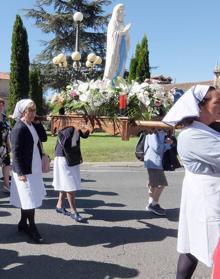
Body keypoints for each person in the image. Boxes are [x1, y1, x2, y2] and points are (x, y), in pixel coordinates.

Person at [163, 85, 220, 278]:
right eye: (217, 102)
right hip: (207, 196)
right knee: (194, 244)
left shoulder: (206, 129)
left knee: (192, 245)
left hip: (206, 193)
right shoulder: (193, 135)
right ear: (200, 107)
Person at [10, 99, 47, 243]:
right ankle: (32, 227)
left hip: (34, 168)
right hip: (25, 170)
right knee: (29, 200)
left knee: (28, 199)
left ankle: (22, 223)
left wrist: (38, 123)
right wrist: (20, 173)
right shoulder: (19, 128)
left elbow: (43, 138)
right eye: (29, 111)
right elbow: (16, 152)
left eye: (34, 110)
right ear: (22, 112)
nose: (32, 113)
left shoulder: (32, 125)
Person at [52, 126, 90, 222]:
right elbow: (64, 141)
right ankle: (74, 211)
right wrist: (74, 156)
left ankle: (59, 205)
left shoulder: (76, 131)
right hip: (64, 158)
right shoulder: (70, 130)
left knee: (66, 183)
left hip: (69, 158)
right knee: (70, 185)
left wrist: (79, 156)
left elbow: (79, 140)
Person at [144, 130, 173, 216]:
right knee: (161, 183)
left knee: (154, 184)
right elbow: (157, 148)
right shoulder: (153, 132)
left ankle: (151, 203)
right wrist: (168, 144)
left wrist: (167, 141)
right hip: (154, 161)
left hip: (156, 161)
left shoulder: (161, 132)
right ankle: (154, 204)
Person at [103, 3, 131, 81]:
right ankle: (110, 79)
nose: (122, 13)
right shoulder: (112, 23)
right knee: (114, 61)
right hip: (115, 47)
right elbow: (112, 35)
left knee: (122, 61)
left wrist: (126, 34)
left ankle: (118, 79)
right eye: (120, 11)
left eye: (123, 11)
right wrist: (123, 32)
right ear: (116, 12)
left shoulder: (122, 24)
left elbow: (126, 37)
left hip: (122, 46)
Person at [0, 98, 11, 193]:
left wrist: (9, 145)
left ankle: (6, 185)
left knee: (6, 164)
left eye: (2, 104)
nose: (0, 106)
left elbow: (8, 131)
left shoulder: (5, 117)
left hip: (4, 146)